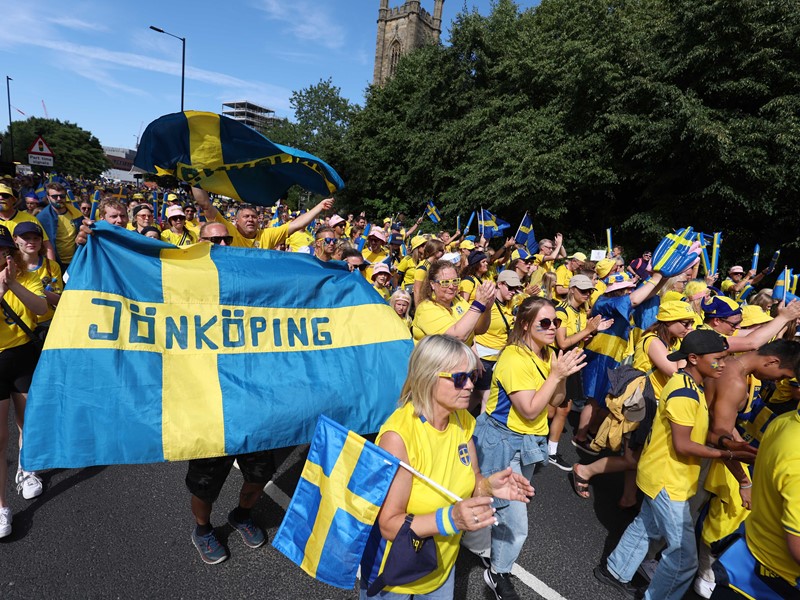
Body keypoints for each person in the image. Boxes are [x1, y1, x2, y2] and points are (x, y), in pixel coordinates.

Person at [359, 335, 534, 599]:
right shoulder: (398, 438)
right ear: (428, 376)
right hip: (393, 575)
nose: (470, 386)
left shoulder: (462, 419)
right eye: (459, 378)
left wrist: (487, 485)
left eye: (473, 376)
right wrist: (451, 519)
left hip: (440, 566)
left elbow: (473, 478)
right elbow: (389, 525)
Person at [594, 330, 756, 600]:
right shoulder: (685, 393)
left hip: (666, 474)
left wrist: (730, 445)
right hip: (668, 479)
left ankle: (613, 571)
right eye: (718, 359)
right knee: (683, 560)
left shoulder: (691, 386)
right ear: (693, 358)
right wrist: (727, 456)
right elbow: (683, 444)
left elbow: (695, 432)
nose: (724, 365)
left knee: (647, 526)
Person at [474, 296, 586, 600]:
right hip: (504, 442)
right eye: (545, 323)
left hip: (527, 442)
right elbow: (530, 409)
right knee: (516, 519)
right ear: (525, 325)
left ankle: (480, 544)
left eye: (557, 322)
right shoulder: (513, 358)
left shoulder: (546, 353)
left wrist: (559, 376)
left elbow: (556, 400)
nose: (553, 328)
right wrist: (556, 375)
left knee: (501, 505)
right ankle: (498, 572)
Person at [572, 300, 695, 505]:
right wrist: (688, 351)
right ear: (668, 321)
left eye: (691, 323)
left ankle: (628, 497)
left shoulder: (671, 342)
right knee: (632, 457)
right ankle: (585, 470)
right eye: (685, 323)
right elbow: (675, 372)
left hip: (651, 404)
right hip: (641, 403)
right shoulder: (653, 341)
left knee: (637, 453)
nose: (689, 328)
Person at [0, 225, 49, 537]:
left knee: (27, 422)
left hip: (23, 356)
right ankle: (2, 506)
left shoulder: (26, 274)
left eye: (4, 249)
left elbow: (42, 308)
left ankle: (26, 469)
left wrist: (14, 284)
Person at [551, 275, 613, 471]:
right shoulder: (561, 311)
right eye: (584, 290)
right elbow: (562, 343)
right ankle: (536, 442)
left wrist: (594, 331)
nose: (588, 294)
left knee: (563, 409)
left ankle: (550, 451)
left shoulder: (579, 312)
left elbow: (578, 340)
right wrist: (588, 330)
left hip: (571, 362)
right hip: (559, 361)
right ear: (572, 289)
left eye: (590, 291)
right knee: (551, 409)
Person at [191, 187, 332, 250]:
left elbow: (296, 225)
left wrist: (319, 206)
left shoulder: (267, 235)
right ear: (236, 220)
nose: (250, 220)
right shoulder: (227, 230)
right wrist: (193, 177)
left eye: (254, 217)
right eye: (246, 217)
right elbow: (205, 205)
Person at [411, 260, 494, 346]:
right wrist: (478, 305)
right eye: (445, 282)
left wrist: (486, 309)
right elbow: (455, 338)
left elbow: (479, 329)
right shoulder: (426, 309)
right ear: (432, 284)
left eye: (455, 281)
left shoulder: (458, 301)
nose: (451, 286)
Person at [473, 270, 522, 411]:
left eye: (516, 288)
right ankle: (480, 433)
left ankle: (462, 426)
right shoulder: (487, 301)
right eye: (510, 287)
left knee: (477, 397)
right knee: (487, 400)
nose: (513, 292)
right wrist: (474, 355)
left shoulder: (511, 303)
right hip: (483, 357)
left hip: (498, 358)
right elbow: (471, 329)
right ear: (499, 284)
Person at [0, 183, 55, 260]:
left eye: (5, 196)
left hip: (26, 267)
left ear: (13, 200)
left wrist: (52, 268)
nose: (1, 198)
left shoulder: (30, 219)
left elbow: (46, 244)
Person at [36, 182, 83, 270]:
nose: (59, 199)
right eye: (54, 196)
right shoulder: (42, 218)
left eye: (62, 196)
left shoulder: (76, 214)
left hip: (76, 261)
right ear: (48, 197)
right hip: (55, 262)